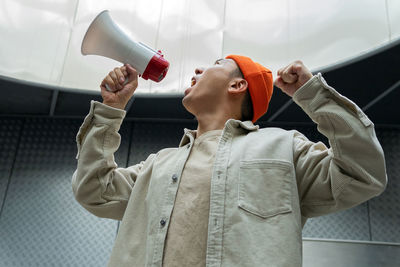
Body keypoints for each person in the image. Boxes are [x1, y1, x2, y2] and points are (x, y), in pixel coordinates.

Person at [72, 55, 387, 267]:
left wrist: (314, 95)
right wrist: (110, 111)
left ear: (238, 85)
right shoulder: (158, 164)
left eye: (214, 64)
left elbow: (363, 174)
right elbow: (94, 190)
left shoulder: (283, 148)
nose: (197, 71)